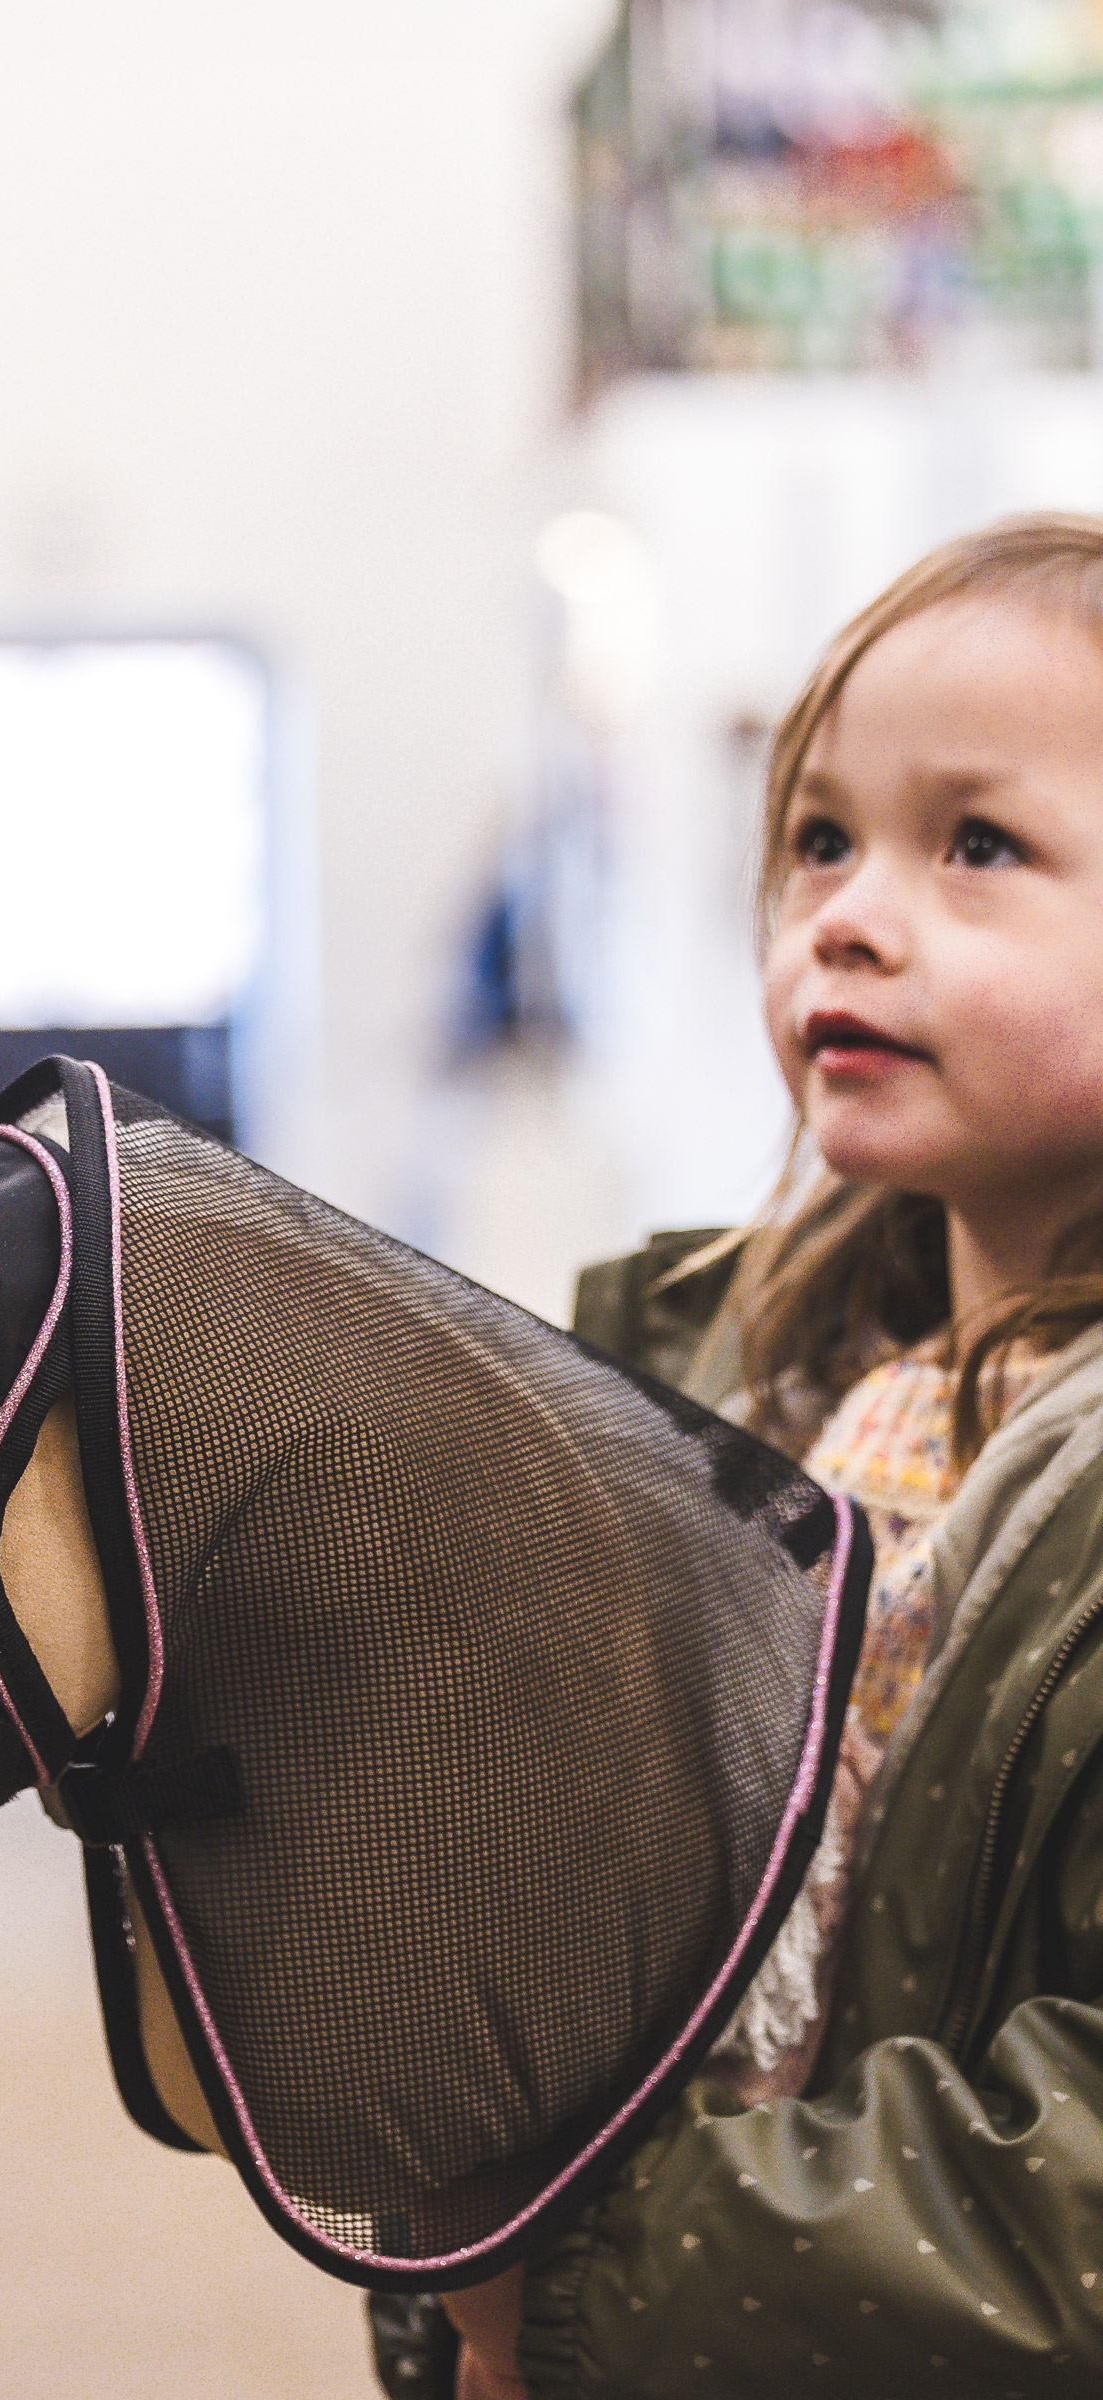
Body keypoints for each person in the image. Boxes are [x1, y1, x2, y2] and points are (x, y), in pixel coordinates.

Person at [406, 514, 1103, 2396]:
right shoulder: (718, 1383)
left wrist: (575, 2271)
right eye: (817, 838)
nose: (845, 917)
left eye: (979, 844)